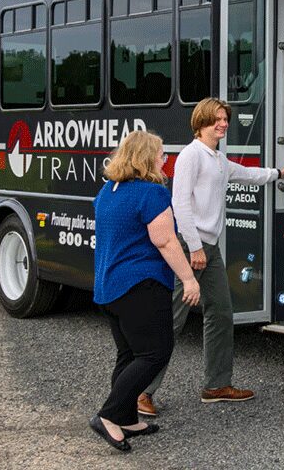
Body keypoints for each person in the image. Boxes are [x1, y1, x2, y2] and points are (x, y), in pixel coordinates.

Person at [138, 98, 284, 416]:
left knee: (221, 314)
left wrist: (279, 172)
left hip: (209, 250)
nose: (222, 123)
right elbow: (179, 204)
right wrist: (194, 247)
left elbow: (248, 174)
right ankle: (141, 390)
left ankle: (216, 385)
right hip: (188, 248)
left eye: (224, 119)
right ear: (201, 123)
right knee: (172, 319)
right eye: (216, 119)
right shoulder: (190, 157)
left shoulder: (218, 159)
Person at [90, 130, 201, 452]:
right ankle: (109, 416)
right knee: (155, 352)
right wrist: (189, 279)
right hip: (140, 286)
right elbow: (165, 241)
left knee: (129, 354)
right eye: (161, 153)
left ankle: (125, 418)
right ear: (146, 158)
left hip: (108, 288)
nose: (165, 159)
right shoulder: (150, 194)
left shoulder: (108, 190)